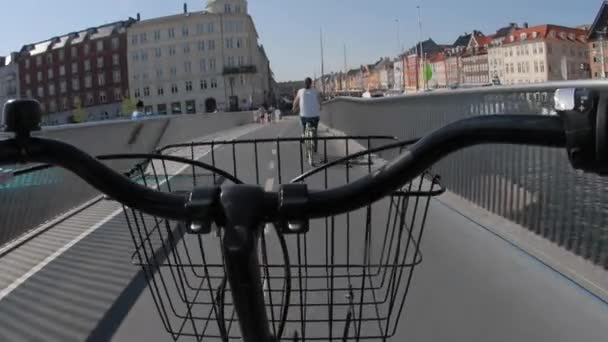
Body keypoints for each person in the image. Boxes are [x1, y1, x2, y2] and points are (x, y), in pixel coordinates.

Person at [293, 77, 321, 142]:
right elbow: (320, 101)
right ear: (311, 84)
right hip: (315, 116)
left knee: (303, 123)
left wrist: (294, 108)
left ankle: (303, 134)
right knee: (315, 127)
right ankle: (315, 136)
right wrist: (320, 106)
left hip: (304, 117)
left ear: (304, 83)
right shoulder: (315, 91)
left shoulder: (300, 91)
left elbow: (295, 102)